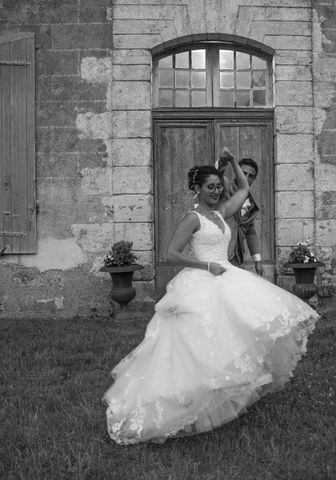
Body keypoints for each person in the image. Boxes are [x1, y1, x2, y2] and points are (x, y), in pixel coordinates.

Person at [103, 154, 319, 445]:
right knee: (198, 342)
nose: (216, 191)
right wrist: (206, 266)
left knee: (241, 329)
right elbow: (171, 254)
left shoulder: (220, 213)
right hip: (203, 278)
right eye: (210, 187)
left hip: (226, 275)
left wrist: (230, 162)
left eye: (218, 186)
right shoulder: (192, 218)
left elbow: (243, 190)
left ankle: (222, 390)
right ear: (198, 189)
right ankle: (184, 396)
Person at [216, 150, 263, 275]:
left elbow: (250, 231)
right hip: (219, 251)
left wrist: (257, 261)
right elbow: (217, 175)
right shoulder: (225, 186)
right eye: (244, 173)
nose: (246, 178)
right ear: (237, 172)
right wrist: (223, 161)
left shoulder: (251, 203)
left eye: (251, 176)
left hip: (237, 255)